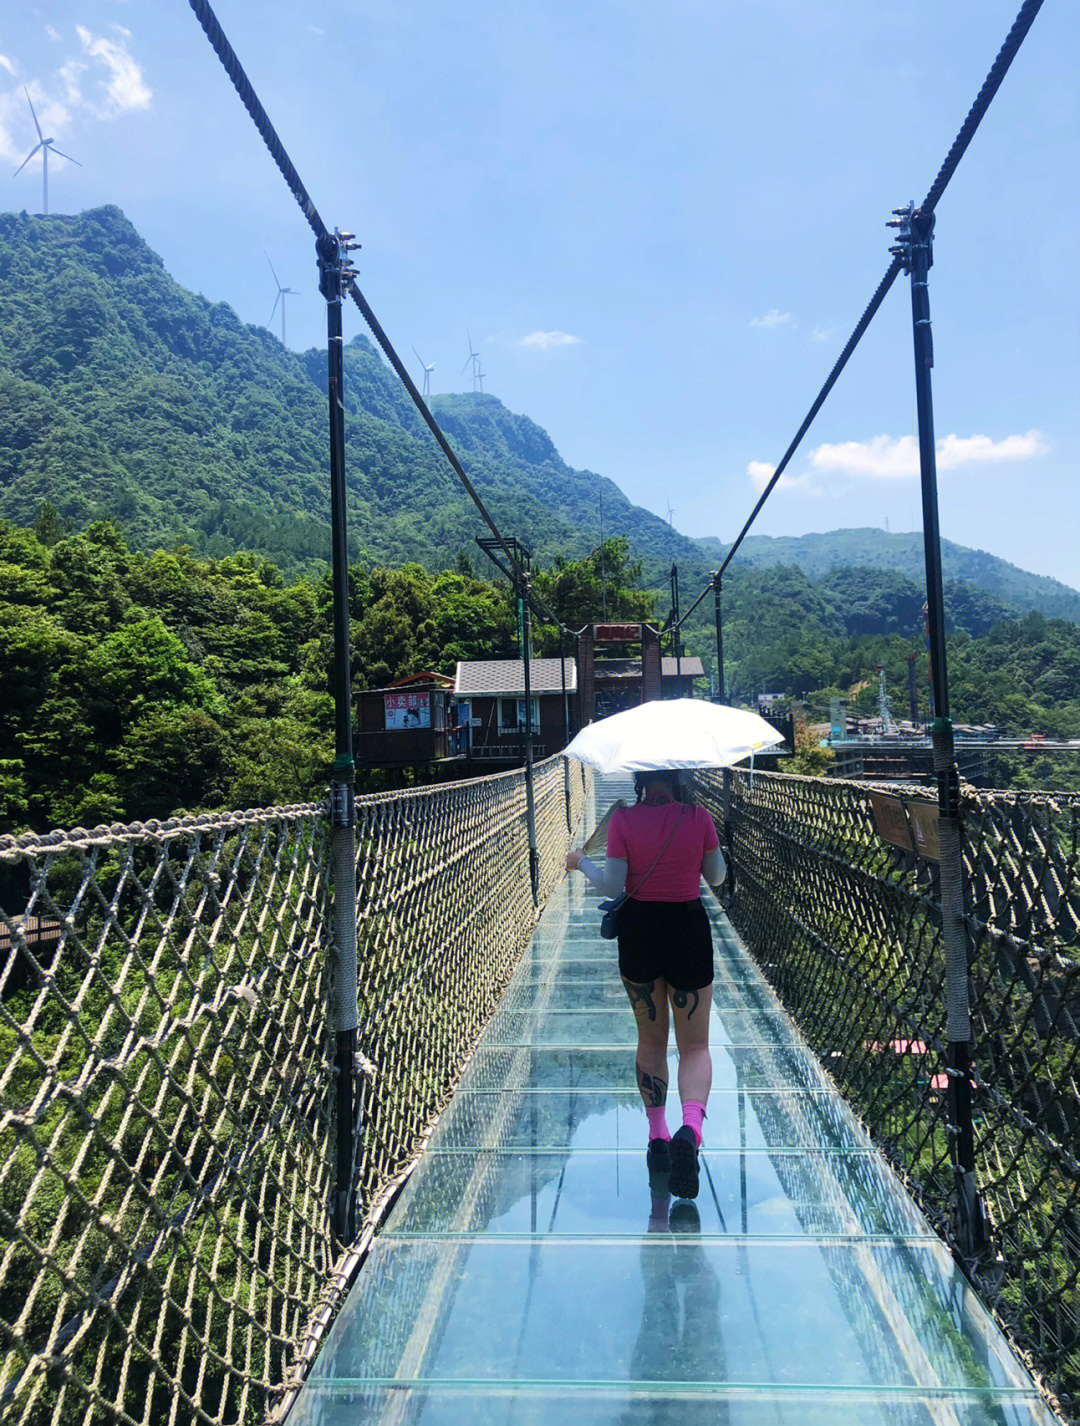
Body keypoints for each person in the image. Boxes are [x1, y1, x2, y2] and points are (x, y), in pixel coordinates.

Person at [565, 769, 725, 1200]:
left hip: (639, 933)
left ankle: (657, 1139)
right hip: (688, 928)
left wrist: (581, 861)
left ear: (640, 777)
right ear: (681, 775)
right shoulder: (700, 817)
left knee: (651, 1041)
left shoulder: (623, 821)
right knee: (695, 1046)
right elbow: (717, 878)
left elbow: (612, 884)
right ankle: (690, 1131)